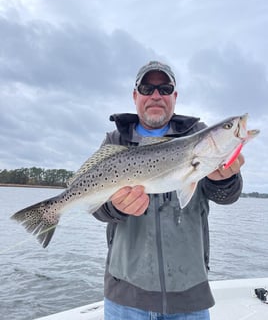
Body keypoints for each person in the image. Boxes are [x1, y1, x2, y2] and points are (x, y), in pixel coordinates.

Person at [93, 61, 244, 320]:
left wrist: (224, 180)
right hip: (125, 298)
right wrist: (115, 207)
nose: (155, 95)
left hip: (189, 298)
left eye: (164, 88)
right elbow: (96, 208)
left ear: (174, 96)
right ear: (135, 95)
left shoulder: (199, 134)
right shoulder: (115, 141)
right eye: (146, 88)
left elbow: (225, 196)